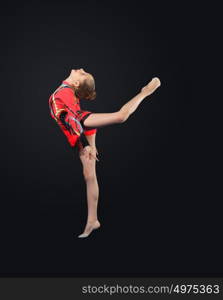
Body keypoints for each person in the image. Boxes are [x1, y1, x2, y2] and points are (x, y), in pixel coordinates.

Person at [49, 68, 161, 238]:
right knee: (89, 175)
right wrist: (88, 145)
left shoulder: (64, 92)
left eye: (83, 73)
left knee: (121, 116)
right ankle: (93, 220)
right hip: (80, 125)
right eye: (84, 72)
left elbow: (72, 119)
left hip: (79, 124)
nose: (81, 69)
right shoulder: (68, 92)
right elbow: (73, 118)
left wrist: (85, 145)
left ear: (76, 83)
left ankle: (145, 92)